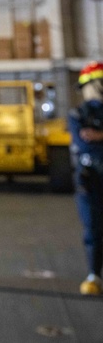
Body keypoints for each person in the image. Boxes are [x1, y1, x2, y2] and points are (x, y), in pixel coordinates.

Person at [69, 61, 103, 295]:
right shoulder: (78, 114)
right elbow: (83, 141)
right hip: (90, 179)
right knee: (93, 228)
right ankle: (94, 274)